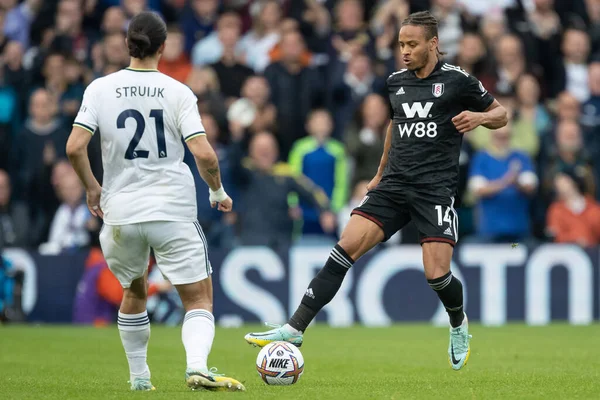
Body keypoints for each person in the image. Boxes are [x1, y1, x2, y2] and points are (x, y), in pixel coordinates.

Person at [245, 11, 508, 371]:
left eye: (412, 44)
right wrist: (379, 173)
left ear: (433, 43)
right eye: (401, 44)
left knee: (436, 275)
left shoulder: (458, 80)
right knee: (344, 248)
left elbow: (502, 114)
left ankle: (458, 322)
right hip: (394, 185)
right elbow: (395, 125)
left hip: (434, 190)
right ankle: (295, 327)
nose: (404, 51)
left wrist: (478, 118)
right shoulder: (396, 81)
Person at [65, 12, 244, 392]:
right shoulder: (178, 92)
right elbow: (206, 155)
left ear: (128, 43)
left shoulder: (99, 88)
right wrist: (216, 191)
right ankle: (197, 366)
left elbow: (75, 147)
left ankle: (139, 378)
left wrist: (92, 187)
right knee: (198, 298)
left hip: (120, 210)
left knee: (133, 290)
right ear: (163, 47)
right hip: (171, 209)